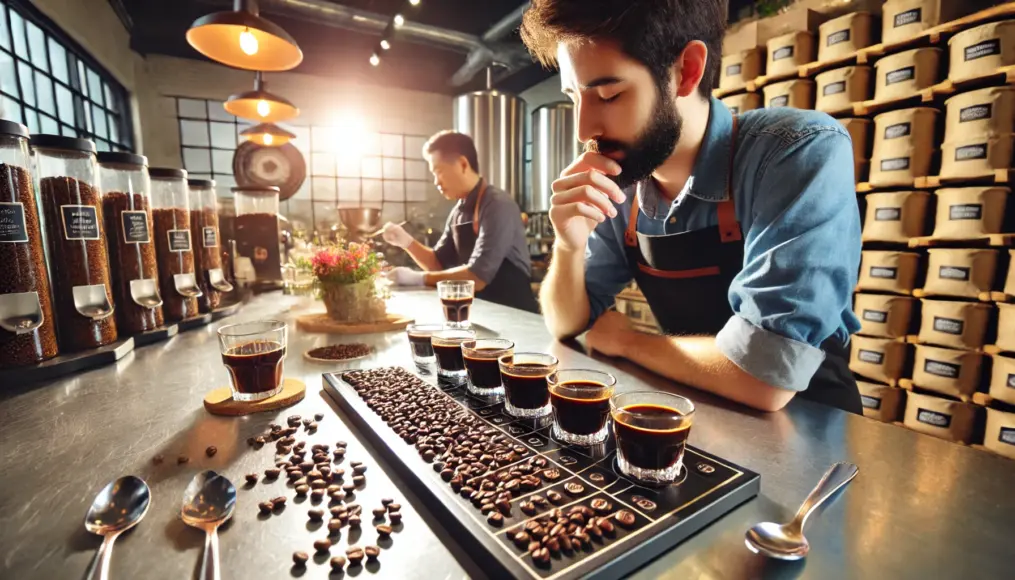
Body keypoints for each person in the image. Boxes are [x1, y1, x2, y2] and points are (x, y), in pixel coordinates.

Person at [520, 0, 863, 413]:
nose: (583, 130)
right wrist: (568, 245)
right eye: (575, 96)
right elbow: (567, 323)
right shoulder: (624, 185)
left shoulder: (796, 153)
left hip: (810, 442)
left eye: (608, 94)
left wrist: (629, 342)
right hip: (696, 420)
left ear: (687, 70)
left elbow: (766, 376)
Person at [382, 131, 539, 312]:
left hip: (516, 315)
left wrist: (418, 279)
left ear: (463, 164)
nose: (436, 182)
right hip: (487, 312)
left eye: (438, 171)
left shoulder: (497, 204)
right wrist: (407, 242)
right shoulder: (458, 210)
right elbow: (437, 264)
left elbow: (478, 276)